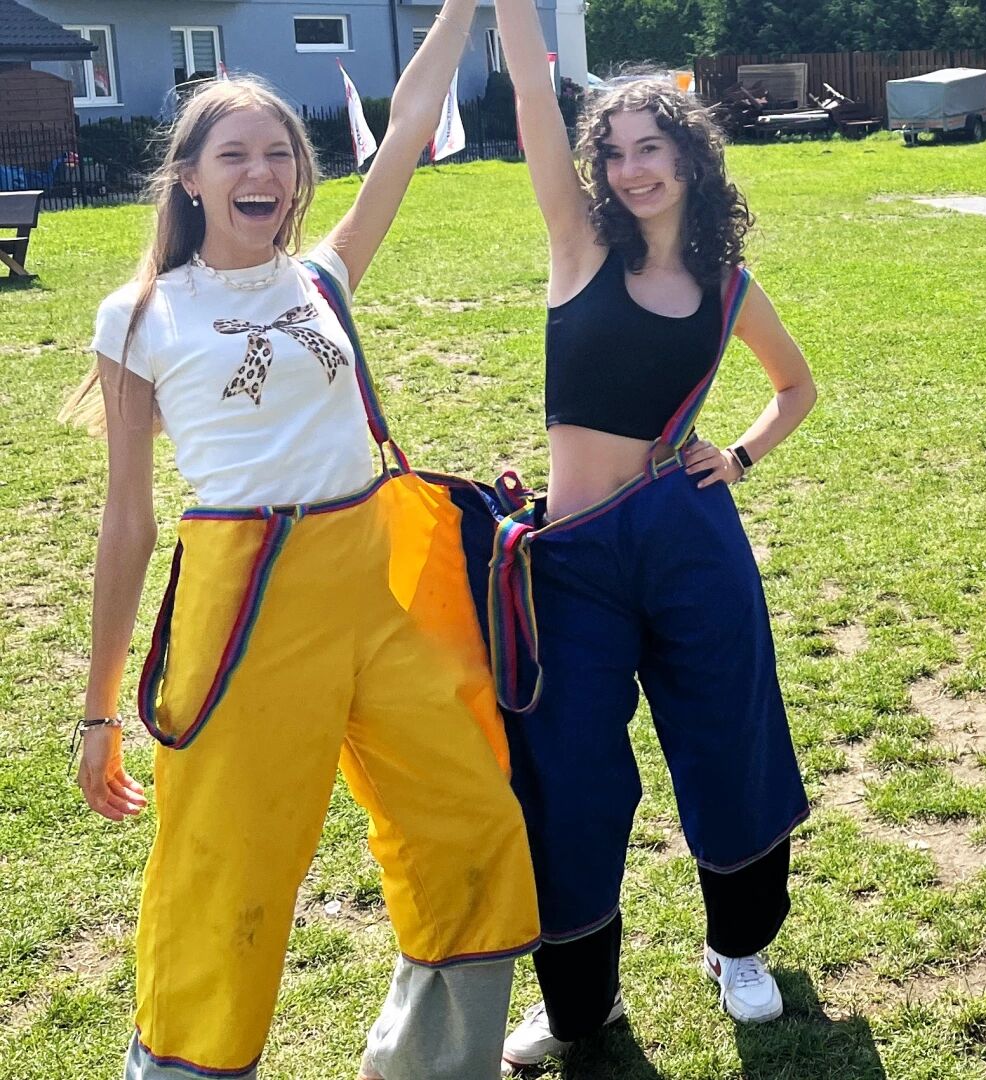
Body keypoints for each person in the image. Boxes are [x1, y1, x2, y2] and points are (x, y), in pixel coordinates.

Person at [66, 9, 541, 1077]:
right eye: (235, 154)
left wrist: (461, 10)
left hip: (377, 578)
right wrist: (99, 711)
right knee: (226, 863)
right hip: (245, 599)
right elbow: (128, 521)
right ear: (189, 178)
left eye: (280, 153)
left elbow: (411, 121)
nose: (263, 172)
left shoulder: (323, 276)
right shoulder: (138, 315)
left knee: (466, 817)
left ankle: (432, 1064)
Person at [490, 2, 818, 1069]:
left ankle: (740, 950)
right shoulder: (578, 247)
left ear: (688, 159)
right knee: (571, 778)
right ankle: (580, 1005)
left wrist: (742, 457)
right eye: (616, 153)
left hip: (688, 544)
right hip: (574, 563)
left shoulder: (727, 287)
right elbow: (534, 96)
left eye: (651, 149)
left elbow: (796, 387)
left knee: (729, 740)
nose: (632, 171)